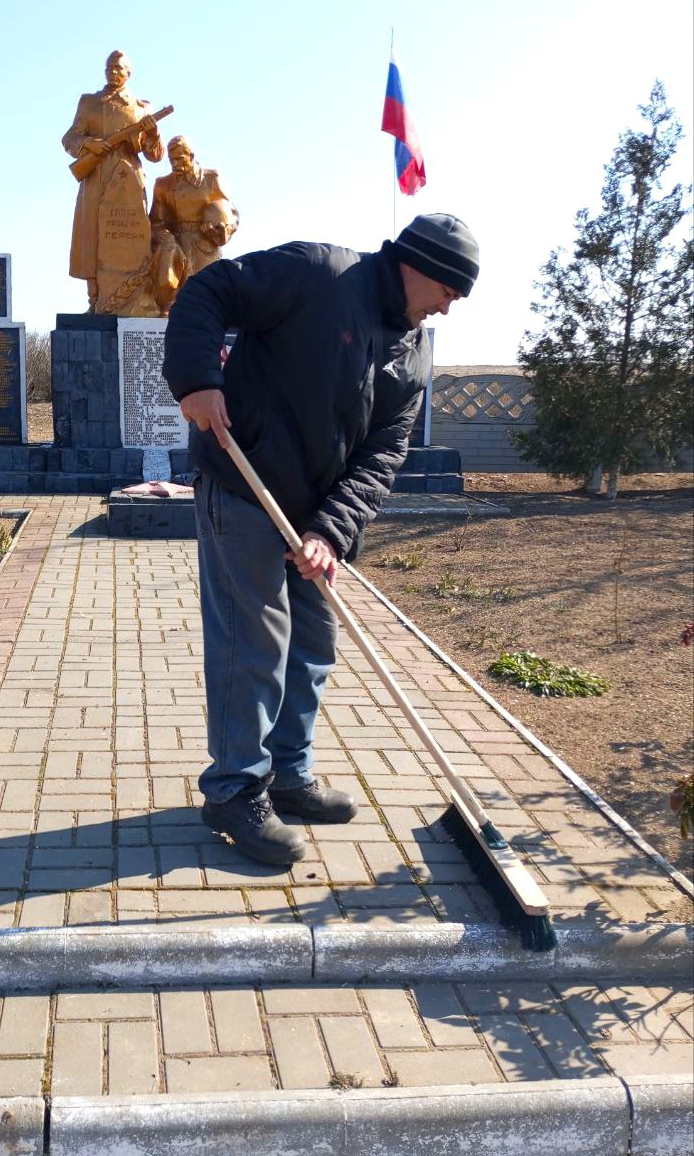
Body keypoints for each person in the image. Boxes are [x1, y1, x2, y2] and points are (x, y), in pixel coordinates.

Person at [163, 213, 480, 865]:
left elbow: (383, 455)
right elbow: (207, 291)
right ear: (422, 268)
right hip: (243, 479)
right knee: (254, 641)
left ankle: (287, 775)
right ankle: (234, 790)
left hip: (311, 515)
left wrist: (330, 532)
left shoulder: (413, 351)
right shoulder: (319, 274)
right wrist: (198, 379)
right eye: (451, 290)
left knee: (311, 643)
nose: (450, 307)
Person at [61, 50, 165, 309]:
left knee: (133, 237)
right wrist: (89, 144)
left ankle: (135, 298)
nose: (113, 71)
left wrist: (153, 134)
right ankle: (95, 300)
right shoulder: (89, 102)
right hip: (96, 174)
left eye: (119, 68)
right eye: (109, 67)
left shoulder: (142, 108)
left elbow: (155, 155)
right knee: (92, 235)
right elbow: (69, 139)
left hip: (128, 178)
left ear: (129, 73)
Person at [149, 135, 238, 311]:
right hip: (176, 248)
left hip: (205, 247)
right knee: (173, 303)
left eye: (179, 159)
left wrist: (221, 230)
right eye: (171, 160)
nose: (175, 164)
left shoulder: (211, 178)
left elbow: (231, 215)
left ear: (191, 156)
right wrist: (165, 237)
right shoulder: (162, 184)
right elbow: (156, 221)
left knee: (205, 299)